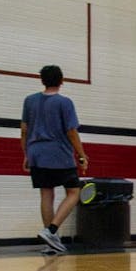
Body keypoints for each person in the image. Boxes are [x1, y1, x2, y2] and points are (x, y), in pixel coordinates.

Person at [20, 65, 89, 253]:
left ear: (42, 80)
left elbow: (24, 130)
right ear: (61, 81)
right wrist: (81, 154)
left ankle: (51, 243)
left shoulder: (29, 101)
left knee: (46, 194)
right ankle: (51, 230)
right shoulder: (64, 103)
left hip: (36, 153)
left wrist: (27, 154)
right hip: (58, 153)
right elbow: (71, 132)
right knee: (74, 192)